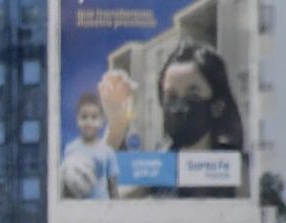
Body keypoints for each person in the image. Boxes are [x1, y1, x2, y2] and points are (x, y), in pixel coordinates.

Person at [99, 40, 247, 198]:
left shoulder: (235, 167)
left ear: (217, 106)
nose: (179, 106)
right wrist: (116, 126)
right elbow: (99, 196)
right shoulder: (162, 166)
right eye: (171, 96)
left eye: (193, 95)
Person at [60, 92, 119, 199]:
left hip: (101, 206)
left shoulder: (108, 152)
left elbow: (113, 189)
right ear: (77, 119)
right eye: (84, 117)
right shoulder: (70, 149)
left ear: (101, 121)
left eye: (94, 117)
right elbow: (64, 184)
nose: (89, 122)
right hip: (78, 206)